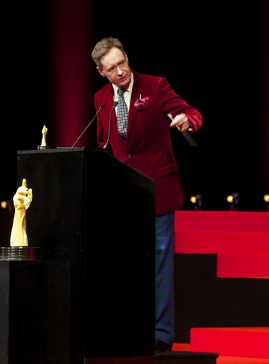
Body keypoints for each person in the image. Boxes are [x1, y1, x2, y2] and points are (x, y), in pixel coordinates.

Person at [91, 37, 203, 353]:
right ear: (101, 72)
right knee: (128, 265)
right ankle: (131, 328)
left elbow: (191, 112)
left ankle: (162, 333)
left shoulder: (154, 86)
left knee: (160, 264)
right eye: (112, 68)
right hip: (124, 196)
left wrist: (188, 122)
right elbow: (104, 144)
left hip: (159, 190)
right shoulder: (100, 98)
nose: (120, 71)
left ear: (127, 57)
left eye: (122, 63)